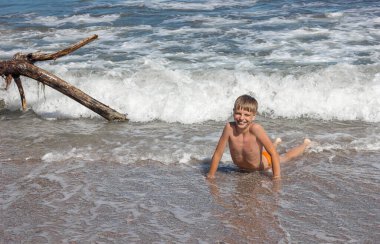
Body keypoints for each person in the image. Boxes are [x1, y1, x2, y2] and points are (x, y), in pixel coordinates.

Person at [206, 94, 311, 180]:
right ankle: (276, 143)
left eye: (246, 115)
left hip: (263, 165)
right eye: (238, 113)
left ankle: (305, 144)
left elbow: (273, 153)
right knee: (266, 150)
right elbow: (218, 153)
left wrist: (276, 178)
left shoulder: (256, 129)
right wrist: (210, 175)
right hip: (243, 167)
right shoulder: (229, 128)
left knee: (283, 158)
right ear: (233, 112)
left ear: (253, 116)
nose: (242, 118)